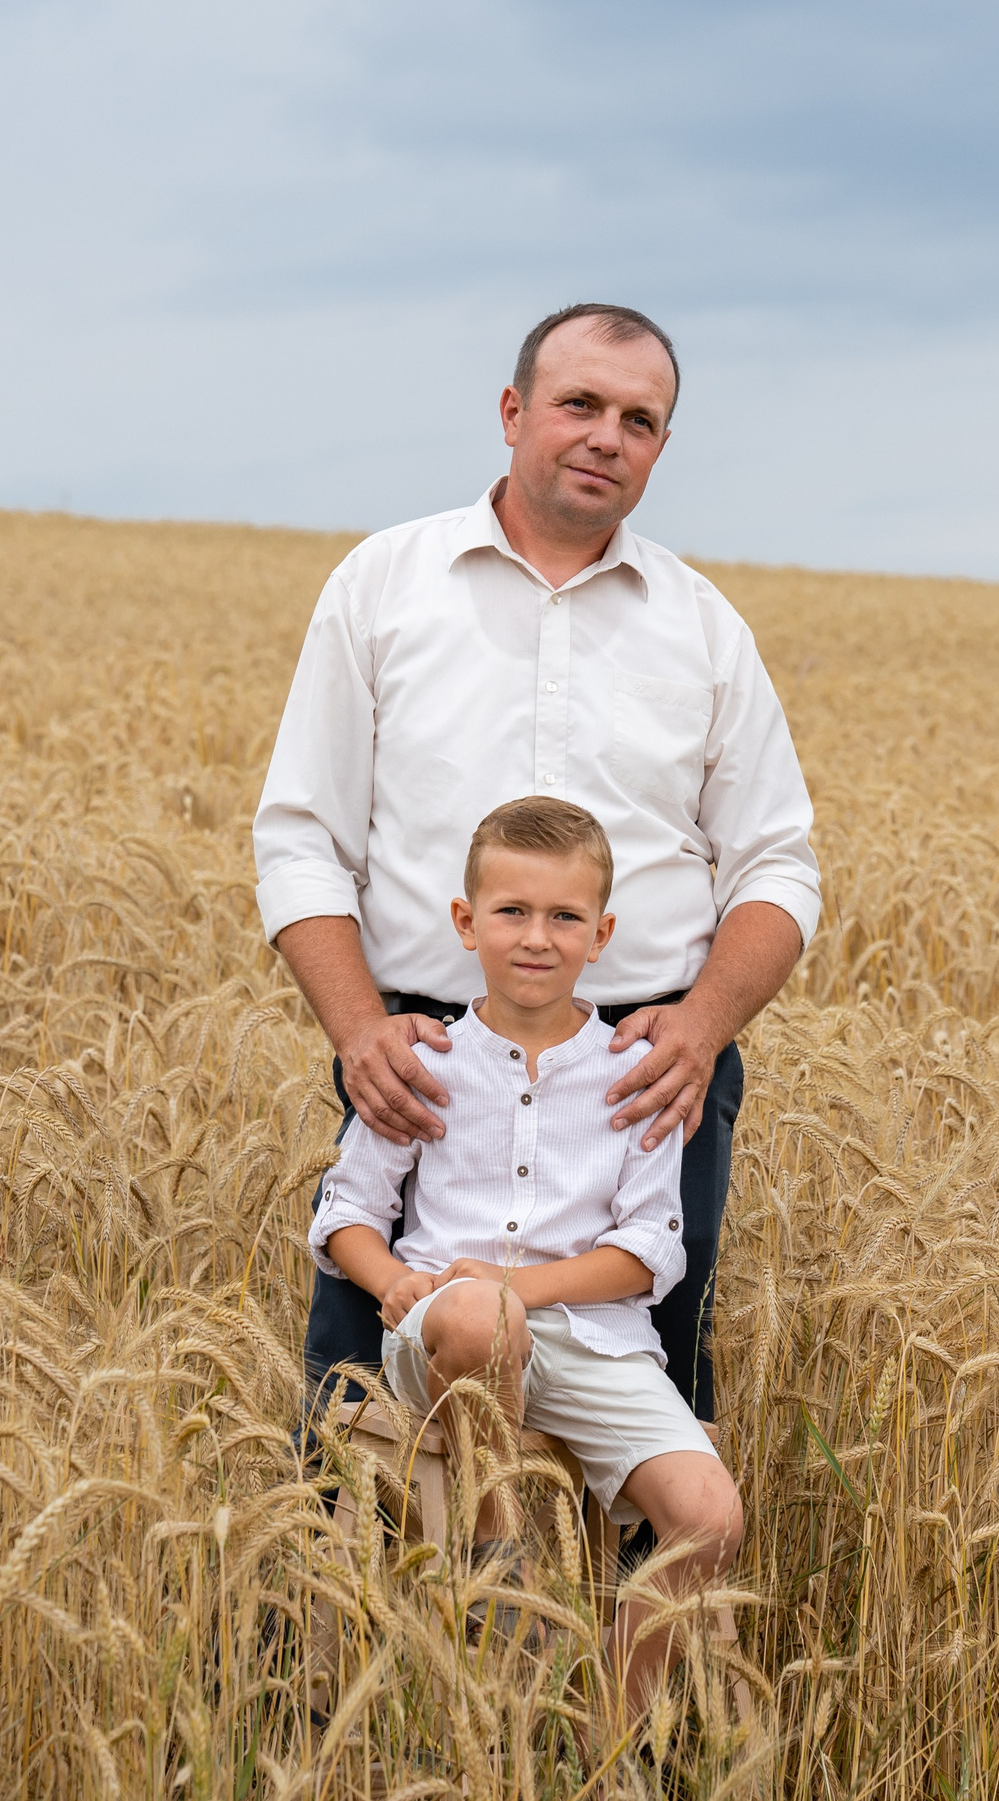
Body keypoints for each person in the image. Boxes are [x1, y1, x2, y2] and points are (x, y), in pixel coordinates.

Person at [253, 302, 822, 1424]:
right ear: (513, 413)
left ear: (662, 447)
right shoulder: (384, 585)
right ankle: (358, 1604)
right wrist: (359, 1030)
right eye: (579, 404)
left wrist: (701, 1027)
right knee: (364, 1429)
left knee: (641, 1444)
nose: (607, 436)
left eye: (640, 420)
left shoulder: (703, 627)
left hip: (642, 1082)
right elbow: (300, 836)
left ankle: (605, 1607)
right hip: (425, 1065)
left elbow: (777, 864)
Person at [308, 797, 742, 1707]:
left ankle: (607, 1739)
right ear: (466, 923)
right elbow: (347, 1209)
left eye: (564, 917)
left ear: (603, 932)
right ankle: (498, 1567)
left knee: (710, 1517)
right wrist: (394, 1282)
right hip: (450, 1338)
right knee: (481, 1313)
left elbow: (649, 1251)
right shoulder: (423, 1058)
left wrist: (519, 1284)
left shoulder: (636, 1068)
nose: (536, 937)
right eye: (511, 912)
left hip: (598, 1343)